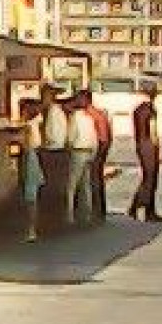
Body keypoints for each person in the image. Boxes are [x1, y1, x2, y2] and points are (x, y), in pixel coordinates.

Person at [36, 84, 70, 230]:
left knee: (52, 185)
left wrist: (44, 145)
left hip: (53, 152)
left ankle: (53, 217)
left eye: (44, 96)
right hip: (55, 151)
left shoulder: (54, 112)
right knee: (53, 184)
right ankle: (54, 216)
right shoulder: (52, 111)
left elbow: (55, 135)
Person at [128, 82, 161, 221]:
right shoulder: (150, 109)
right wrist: (157, 146)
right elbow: (153, 130)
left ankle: (139, 207)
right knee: (151, 178)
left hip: (140, 143)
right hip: (149, 144)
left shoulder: (137, 109)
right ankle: (145, 208)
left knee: (147, 176)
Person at [67, 90, 99, 225]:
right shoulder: (90, 117)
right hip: (89, 151)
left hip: (78, 150)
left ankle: (69, 214)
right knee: (86, 184)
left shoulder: (75, 116)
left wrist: (68, 147)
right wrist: (94, 153)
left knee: (72, 185)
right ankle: (88, 213)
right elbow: (94, 137)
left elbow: (71, 136)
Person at [17, 97, 44, 241]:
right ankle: (32, 228)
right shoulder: (37, 122)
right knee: (32, 195)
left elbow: (25, 143)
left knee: (30, 196)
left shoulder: (28, 126)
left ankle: (31, 229)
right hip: (35, 156)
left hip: (31, 157)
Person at [86, 92, 113, 224]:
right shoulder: (99, 113)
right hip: (102, 147)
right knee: (97, 180)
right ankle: (100, 210)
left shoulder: (92, 114)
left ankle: (96, 210)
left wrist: (98, 154)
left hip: (97, 149)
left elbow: (102, 136)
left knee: (94, 180)